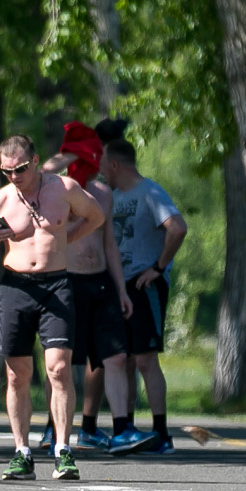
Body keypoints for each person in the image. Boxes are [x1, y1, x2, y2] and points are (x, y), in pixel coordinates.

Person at [0, 134, 109, 482]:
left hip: (57, 285)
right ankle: (21, 452)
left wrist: (67, 240)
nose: (14, 176)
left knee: (59, 368)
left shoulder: (63, 189)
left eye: (19, 168)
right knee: (16, 373)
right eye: (6, 171)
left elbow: (95, 216)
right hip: (16, 286)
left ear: (35, 162)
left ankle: (63, 449)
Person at [97, 127, 185, 455]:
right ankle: (127, 429)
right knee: (121, 358)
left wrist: (158, 267)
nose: (100, 168)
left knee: (146, 358)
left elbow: (177, 227)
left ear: (116, 164)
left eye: (104, 162)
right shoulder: (110, 197)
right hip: (117, 285)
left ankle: (161, 433)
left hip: (143, 283)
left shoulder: (150, 193)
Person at [52, 121, 129, 452]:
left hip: (100, 282)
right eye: (90, 155)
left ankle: (122, 428)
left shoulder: (103, 193)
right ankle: (53, 428)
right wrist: (68, 157)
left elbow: (109, 244)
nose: (96, 161)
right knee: (60, 360)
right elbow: (46, 170)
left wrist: (121, 289)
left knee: (114, 357)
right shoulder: (56, 190)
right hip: (65, 281)